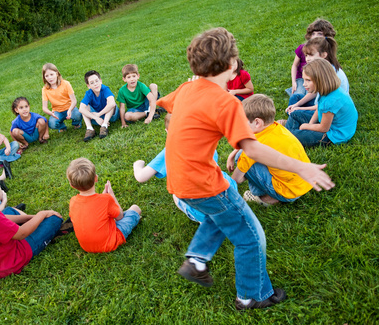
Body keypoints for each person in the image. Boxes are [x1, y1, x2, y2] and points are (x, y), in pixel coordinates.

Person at [156, 27, 334, 310]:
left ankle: (197, 259)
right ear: (231, 65)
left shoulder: (186, 89)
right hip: (204, 184)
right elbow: (252, 148)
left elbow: (164, 104)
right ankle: (252, 295)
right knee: (250, 237)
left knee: (224, 208)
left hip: (179, 183)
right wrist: (302, 166)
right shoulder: (224, 102)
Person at [133, 113, 237, 223]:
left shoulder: (170, 150)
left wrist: (137, 165)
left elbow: (141, 177)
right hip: (231, 194)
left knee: (176, 194)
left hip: (205, 210)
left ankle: (204, 219)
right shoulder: (206, 140)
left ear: (167, 132)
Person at [226, 94, 312, 206]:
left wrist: (227, 185)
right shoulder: (276, 127)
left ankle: (264, 197)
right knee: (240, 156)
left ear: (257, 122)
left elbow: (236, 180)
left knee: (242, 159)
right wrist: (232, 155)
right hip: (305, 182)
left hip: (288, 192)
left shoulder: (253, 149)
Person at [66, 157, 141, 253]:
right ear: (95, 178)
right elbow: (120, 216)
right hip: (110, 243)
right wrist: (111, 196)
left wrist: (104, 198)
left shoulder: (73, 201)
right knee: (135, 208)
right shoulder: (106, 199)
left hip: (86, 247)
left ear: (72, 185)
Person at [285, 58, 358, 147]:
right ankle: (288, 135)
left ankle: (287, 137)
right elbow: (319, 109)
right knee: (294, 114)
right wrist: (310, 125)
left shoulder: (331, 101)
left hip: (335, 134)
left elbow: (324, 128)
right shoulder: (326, 91)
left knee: (292, 136)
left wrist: (305, 126)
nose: (304, 84)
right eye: (304, 80)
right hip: (329, 124)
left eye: (308, 80)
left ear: (320, 80)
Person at [285, 36, 349, 115]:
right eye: (306, 55)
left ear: (323, 55)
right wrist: (296, 105)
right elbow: (314, 93)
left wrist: (299, 108)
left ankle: (292, 121)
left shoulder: (328, 74)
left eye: (311, 55)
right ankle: (293, 118)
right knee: (295, 98)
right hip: (319, 104)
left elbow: (324, 106)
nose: (307, 59)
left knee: (296, 114)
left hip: (330, 113)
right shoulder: (322, 69)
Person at [286, 19, 336, 106]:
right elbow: (294, 65)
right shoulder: (303, 48)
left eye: (319, 34)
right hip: (302, 79)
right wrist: (294, 82)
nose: (315, 36)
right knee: (298, 96)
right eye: (313, 34)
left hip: (316, 80)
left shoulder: (325, 53)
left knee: (311, 98)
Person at [78, 70, 119, 141]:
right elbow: (81, 109)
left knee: (111, 103)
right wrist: (96, 118)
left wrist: (98, 115)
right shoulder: (89, 93)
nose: (95, 84)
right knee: (85, 107)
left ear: (100, 81)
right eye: (92, 83)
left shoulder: (105, 89)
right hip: (97, 119)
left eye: (97, 81)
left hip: (111, 116)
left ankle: (104, 126)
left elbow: (112, 103)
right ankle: (90, 129)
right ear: (88, 86)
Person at [41, 63, 83, 132]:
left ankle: (76, 123)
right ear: (44, 77)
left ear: (56, 73)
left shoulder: (66, 84)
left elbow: (74, 101)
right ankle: (62, 126)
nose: (50, 78)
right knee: (52, 123)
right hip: (57, 111)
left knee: (77, 115)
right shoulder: (45, 89)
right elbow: (44, 108)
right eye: (47, 76)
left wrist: (69, 110)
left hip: (70, 108)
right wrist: (51, 113)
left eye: (51, 74)